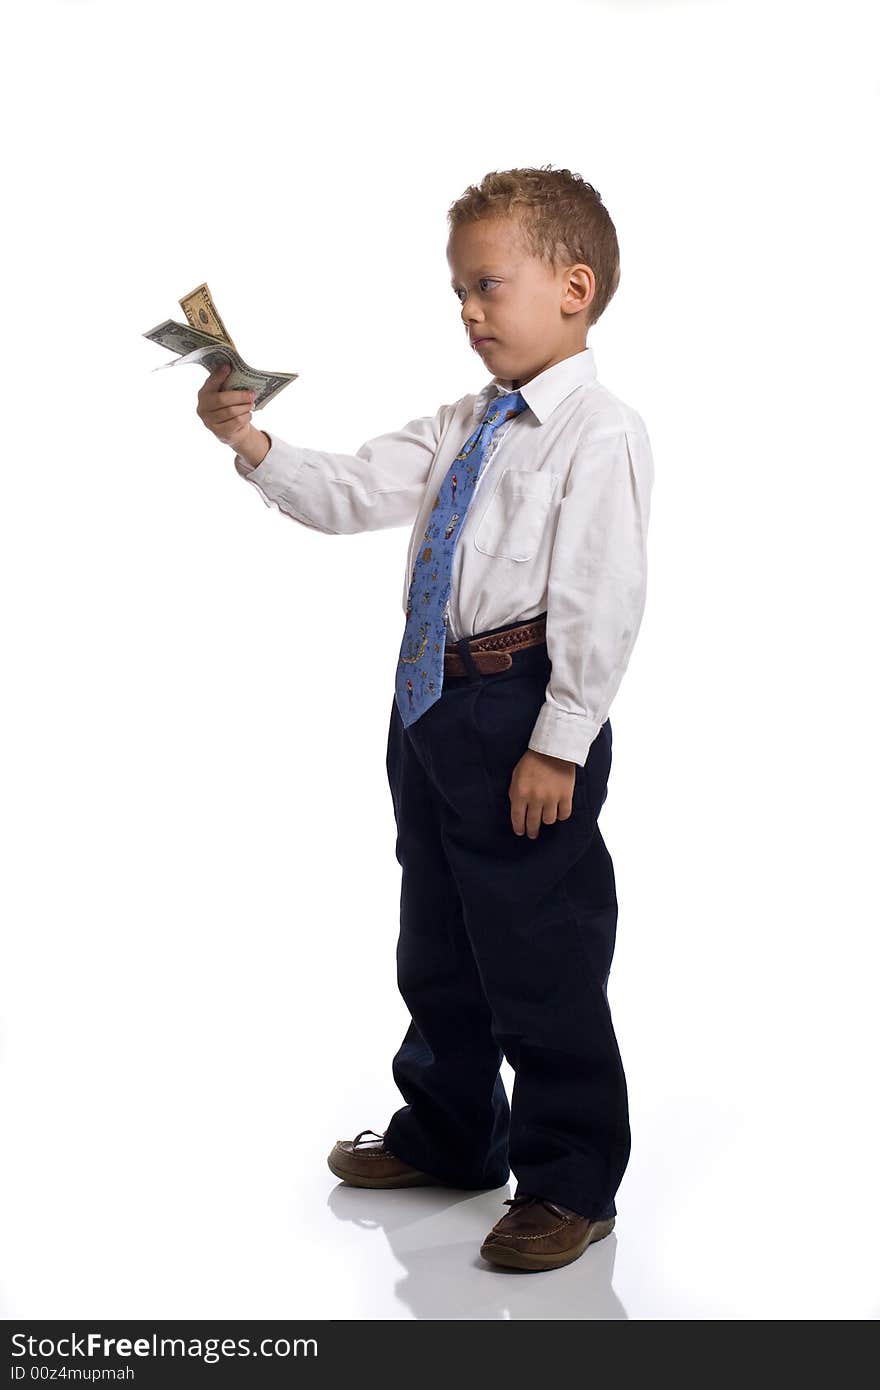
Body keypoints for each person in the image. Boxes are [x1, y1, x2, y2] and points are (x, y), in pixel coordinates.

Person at [197, 166, 654, 1273]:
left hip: (522, 711)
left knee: (538, 949)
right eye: (459, 289)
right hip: (429, 704)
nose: (468, 311)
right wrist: (251, 443)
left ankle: (569, 1177)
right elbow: (352, 490)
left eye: (488, 286)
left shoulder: (598, 433)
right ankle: (452, 1132)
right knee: (438, 934)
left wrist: (560, 740)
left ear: (573, 288)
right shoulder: (463, 421)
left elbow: (603, 595)